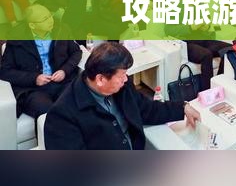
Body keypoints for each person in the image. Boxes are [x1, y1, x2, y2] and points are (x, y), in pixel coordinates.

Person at [44, 42, 201, 149]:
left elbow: (147, 109)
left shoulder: (122, 87)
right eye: (122, 75)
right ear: (100, 79)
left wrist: (182, 108)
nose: (126, 79)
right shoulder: (62, 116)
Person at [0, 4, 81, 118]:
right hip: (32, 89)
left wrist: (64, 70)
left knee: (75, 104)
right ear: (32, 25)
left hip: (61, 82)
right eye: (44, 19)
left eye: (50, 16)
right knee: (49, 112)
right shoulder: (17, 38)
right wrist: (34, 78)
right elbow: (5, 71)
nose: (50, 20)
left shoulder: (61, 29)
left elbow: (76, 52)